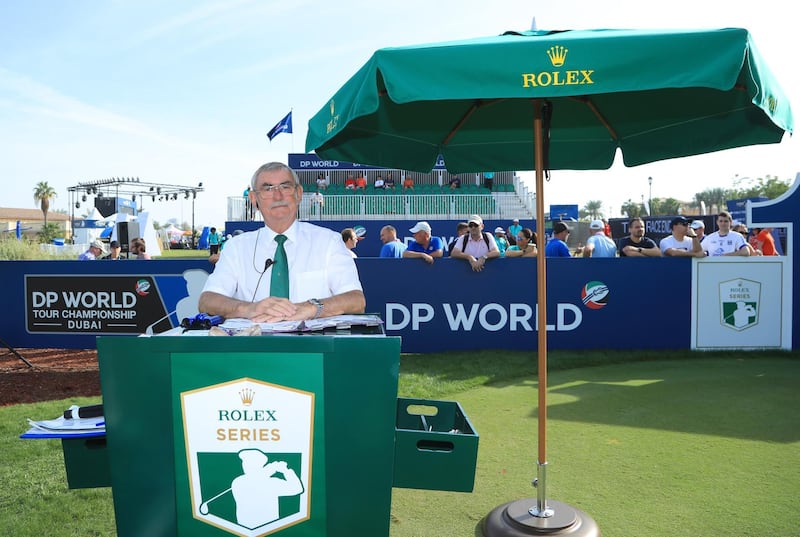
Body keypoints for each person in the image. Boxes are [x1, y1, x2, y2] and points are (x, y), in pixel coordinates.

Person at [199, 162, 365, 322]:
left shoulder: (329, 241)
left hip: (312, 347)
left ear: (298, 193)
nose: (278, 196)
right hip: (252, 346)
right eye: (268, 189)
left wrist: (311, 308)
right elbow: (207, 301)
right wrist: (249, 309)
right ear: (253, 198)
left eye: (285, 187)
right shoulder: (236, 247)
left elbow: (356, 300)